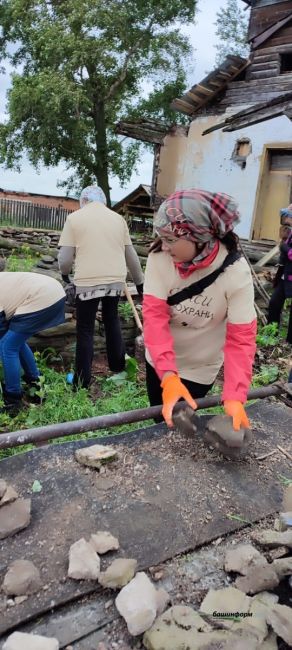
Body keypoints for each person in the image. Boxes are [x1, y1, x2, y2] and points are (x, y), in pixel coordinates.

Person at [142, 189, 257, 431]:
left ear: (198, 235)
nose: (164, 246)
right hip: (160, 360)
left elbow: (241, 339)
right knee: (160, 422)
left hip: (200, 367)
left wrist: (235, 394)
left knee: (180, 424)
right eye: (161, 237)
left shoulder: (235, 272)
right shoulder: (159, 258)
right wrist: (168, 375)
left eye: (171, 239)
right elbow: (154, 317)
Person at [58, 185, 144, 388]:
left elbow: (65, 257)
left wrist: (64, 274)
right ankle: (117, 365)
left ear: (83, 200)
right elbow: (131, 255)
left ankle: (82, 381)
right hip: (115, 280)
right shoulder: (118, 219)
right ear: (104, 201)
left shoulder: (75, 219)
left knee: (85, 329)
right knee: (111, 318)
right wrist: (140, 284)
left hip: (88, 281)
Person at [0, 268, 65, 414]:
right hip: (53, 291)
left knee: (6, 346)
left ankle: (13, 401)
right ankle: (36, 387)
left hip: (42, 296)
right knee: (15, 342)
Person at [267, 205, 292, 345]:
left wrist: (284, 247)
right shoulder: (288, 233)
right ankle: (271, 334)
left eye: (288, 216)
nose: (286, 220)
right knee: (274, 303)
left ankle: (290, 341)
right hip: (284, 277)